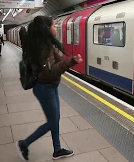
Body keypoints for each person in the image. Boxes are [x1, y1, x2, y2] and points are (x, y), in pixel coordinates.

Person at [16, 16, 82, 161]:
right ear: (46, 29)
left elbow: (55, 64)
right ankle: (24, 143)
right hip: (45, 88)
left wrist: (70, 60)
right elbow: (50, 71)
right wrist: (70, 61)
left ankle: (57, 150)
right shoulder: (43, 48)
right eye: (53, 26)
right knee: (53, 121)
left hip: (49, 86)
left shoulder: (46, 44)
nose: (55, 28)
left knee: (55, 119)